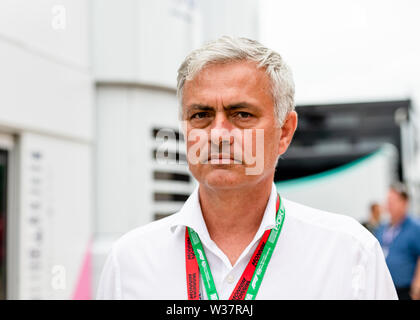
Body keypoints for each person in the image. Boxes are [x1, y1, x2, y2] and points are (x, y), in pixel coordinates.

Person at [97, 36, 397, 300]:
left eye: (241, 114)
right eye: (200, 114)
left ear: (284, 132)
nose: (217, 134)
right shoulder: (130, 261)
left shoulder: (350, 254)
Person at [375, 182, 420, 300]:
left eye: (393, 201)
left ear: (404, 203)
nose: (389, 204)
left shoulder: (415, 227)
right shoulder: (382, 228)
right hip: (386, 290)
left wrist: (417, 284)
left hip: (405, 290)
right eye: (388, 200)